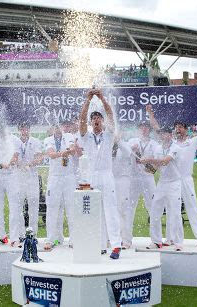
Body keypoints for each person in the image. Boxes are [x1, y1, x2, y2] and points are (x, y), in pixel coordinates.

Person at [148, 104, 197, 247]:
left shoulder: (191, 142)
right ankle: (170, 239)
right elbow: (157, 128)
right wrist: (150, 113)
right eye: (176, 127)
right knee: (171, 209)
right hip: (171, 180)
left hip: (185, 179)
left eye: (181, 127)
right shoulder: (170, 143)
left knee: (192, 207)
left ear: (186, 129)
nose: (178, 129)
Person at [79, 89, 122, 259]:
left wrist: (102, 97)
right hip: (91, 177)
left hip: (106, 175)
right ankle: (100, 245)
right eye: (94, 118)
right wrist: (88, 100)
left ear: (103, 121)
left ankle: (116, 245)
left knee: (110, 209)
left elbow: (110, 113)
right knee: (94, 211)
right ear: (91, 122)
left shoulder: (109, 134)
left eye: (99, 118)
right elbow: (81, 119)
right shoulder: (86, 136)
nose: (96, 120)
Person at [139, 127, 182, 250]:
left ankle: (177, 242)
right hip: (162, 183)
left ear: (170, 135)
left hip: (174, 183)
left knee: (175, 212)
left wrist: (148, 159)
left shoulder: (175, 148)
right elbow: (154, 168)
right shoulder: (158, 148)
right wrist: (145, 165)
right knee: (154, 211)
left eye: (166, 134)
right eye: (162, 134)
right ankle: (156, 241)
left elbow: (164, 161)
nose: (164, 136)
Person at [43, 124, 77, 250]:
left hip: (69, 177)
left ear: (62, 127)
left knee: (71, 208)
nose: (57, 129)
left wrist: (67, 151)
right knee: (52, 208)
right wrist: (64, 152)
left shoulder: (69, 136)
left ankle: (74, 239)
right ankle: (51, 239)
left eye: (59, 126)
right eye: (55, 126)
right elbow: (51, 154)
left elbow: (72, 149)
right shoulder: (48, 140)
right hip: (55, 177)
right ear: (52, 128)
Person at [128, 119, 159, 248]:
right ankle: (126, 240)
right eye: (141, 127)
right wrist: (132, 150)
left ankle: (156, 240)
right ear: (138, 129)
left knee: (153, 208)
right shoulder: (132, 141)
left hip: (148, 177)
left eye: (146, 127)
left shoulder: (154, 144)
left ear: (149, 129)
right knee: (129, 208)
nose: (144, 129)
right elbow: (124, 155)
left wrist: (151, 167)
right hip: (133, 177)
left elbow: (157, 162)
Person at [15, 121, 43, 237]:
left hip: (31, 176)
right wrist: (19, 164)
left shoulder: (35, 141)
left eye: (26, 128)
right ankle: (20, 234)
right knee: (18, 206)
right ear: (19, 130)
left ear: (29, 129)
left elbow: (39, 158)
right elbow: (12, 157)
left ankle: (33, 234)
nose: (24, 130)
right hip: (18, 177)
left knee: (33, 206)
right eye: (22, 128)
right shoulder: (14, 142)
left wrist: (28, 165)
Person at [112, 131, 133, 249]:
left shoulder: (124, 145)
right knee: (111, 210)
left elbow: (128, 152)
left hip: (123, 180)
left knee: (123, 209)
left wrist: (118, 141)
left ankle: (126, 240)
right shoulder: (106, 145)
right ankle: (113, 238)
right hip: (110, 180)